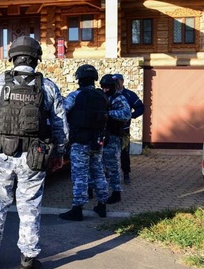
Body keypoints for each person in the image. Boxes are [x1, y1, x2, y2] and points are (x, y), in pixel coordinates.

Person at [0, 36, 69, 269]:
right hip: (34, 157)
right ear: (36, 59)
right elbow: (61, 128)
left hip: (1, 155)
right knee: (30, 208)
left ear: (13, 57)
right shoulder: (48, 87)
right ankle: (28, 260)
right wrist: (59, 153)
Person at [59, 64, 110, 220]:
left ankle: (77, 209)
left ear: (79, 79)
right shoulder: (102, 96)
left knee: (80, 175)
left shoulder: (75, 96)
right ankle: (102, 206)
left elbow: (61, 112)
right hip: (97, 141)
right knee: (98, 173)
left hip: (80, 142)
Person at [100, 74, 131, 204]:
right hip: (101, 137)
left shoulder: (119, 98)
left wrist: (107, 114)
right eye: (104, 88)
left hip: (112, 137)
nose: (106, 90)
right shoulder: (101, 97)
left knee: (112, 166)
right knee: (99, 167)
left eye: (108, 87)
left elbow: (126, 114)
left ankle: (116, 192)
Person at [112, 74, 144, 184]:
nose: (116, 84)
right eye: (114, 82)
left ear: (122, 81)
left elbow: (141, 107)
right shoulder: (109, 94)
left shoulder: (129, 95)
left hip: (123, 130)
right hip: (110, 130)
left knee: (124, 152)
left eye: (117, 81)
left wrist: (132, 115)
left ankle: (126, 174)